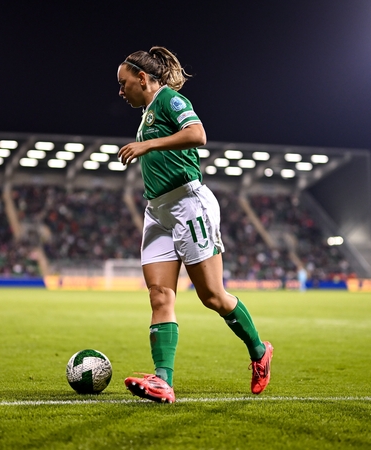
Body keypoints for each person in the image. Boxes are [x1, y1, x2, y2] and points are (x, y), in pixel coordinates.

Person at [116, 46, 273, 403]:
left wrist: (148, 146)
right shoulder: (146, 114)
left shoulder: (169, 100)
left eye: (124, 83)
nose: (120, 91)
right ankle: (163, 381)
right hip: (157, 212)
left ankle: (259, 350)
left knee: (212, 296)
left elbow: (198, 134)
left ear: (143, 78)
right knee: (160, 295)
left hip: (189, 205)